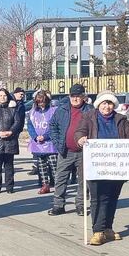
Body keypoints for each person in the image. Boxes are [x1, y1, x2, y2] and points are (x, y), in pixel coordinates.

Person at [74, 93, 129, 245]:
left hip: (116, 167)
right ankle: (98, 231)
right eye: (104, 103)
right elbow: (79, 132)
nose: (107, 106)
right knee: (98, 198)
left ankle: (108, 229)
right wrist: (80, 139)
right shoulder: (89, 117)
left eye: (110, 103)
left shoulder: (120, 119)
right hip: (95, 166)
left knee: (111, 198)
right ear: (98, 104)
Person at [48, 84, 93, 216]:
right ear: (69, 96)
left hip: (83, 152)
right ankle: (58, 205)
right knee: (60, 178)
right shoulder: (61, 109)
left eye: (78, 96)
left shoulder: (90, 110)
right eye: (73, 96)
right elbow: (53, 126)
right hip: (65, 151)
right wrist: (57, 143)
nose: (75, 98)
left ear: (83, 97)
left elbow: (95, 128)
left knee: (84, 180)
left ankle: (81, 205)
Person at [0, 89, 24, 194]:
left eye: (4, 95)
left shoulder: (13, 108)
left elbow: (17, 122)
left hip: (10, 140)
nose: (2, 97)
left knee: (9, 166)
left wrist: (11, 131)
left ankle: (10, 187)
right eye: (0, 95)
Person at [26, 90, 57, 194]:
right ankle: (45, 184)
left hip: (50, 144)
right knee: (41, 165)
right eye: (39, 102)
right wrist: (35, 137)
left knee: (54, 165)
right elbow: (30, 126)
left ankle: (58, 184)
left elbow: (54, 126)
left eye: (43, 102)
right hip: (38, 143)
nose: (41, 104)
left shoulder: (53, 111)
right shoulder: (32, 112)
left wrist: (45, 136)